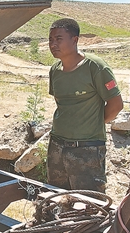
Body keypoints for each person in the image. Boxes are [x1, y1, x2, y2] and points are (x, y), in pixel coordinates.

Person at [47, 18, 122, 193]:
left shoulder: (95, 67)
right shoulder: (55, 70)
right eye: (51, 40)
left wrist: (93, 123)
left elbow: (116, 104)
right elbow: (60, 103)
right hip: (57, 145)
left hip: (87, 148)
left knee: (89, 204)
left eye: (59, 39)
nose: (53, 44)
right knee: (56, 198)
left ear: (75, 40)